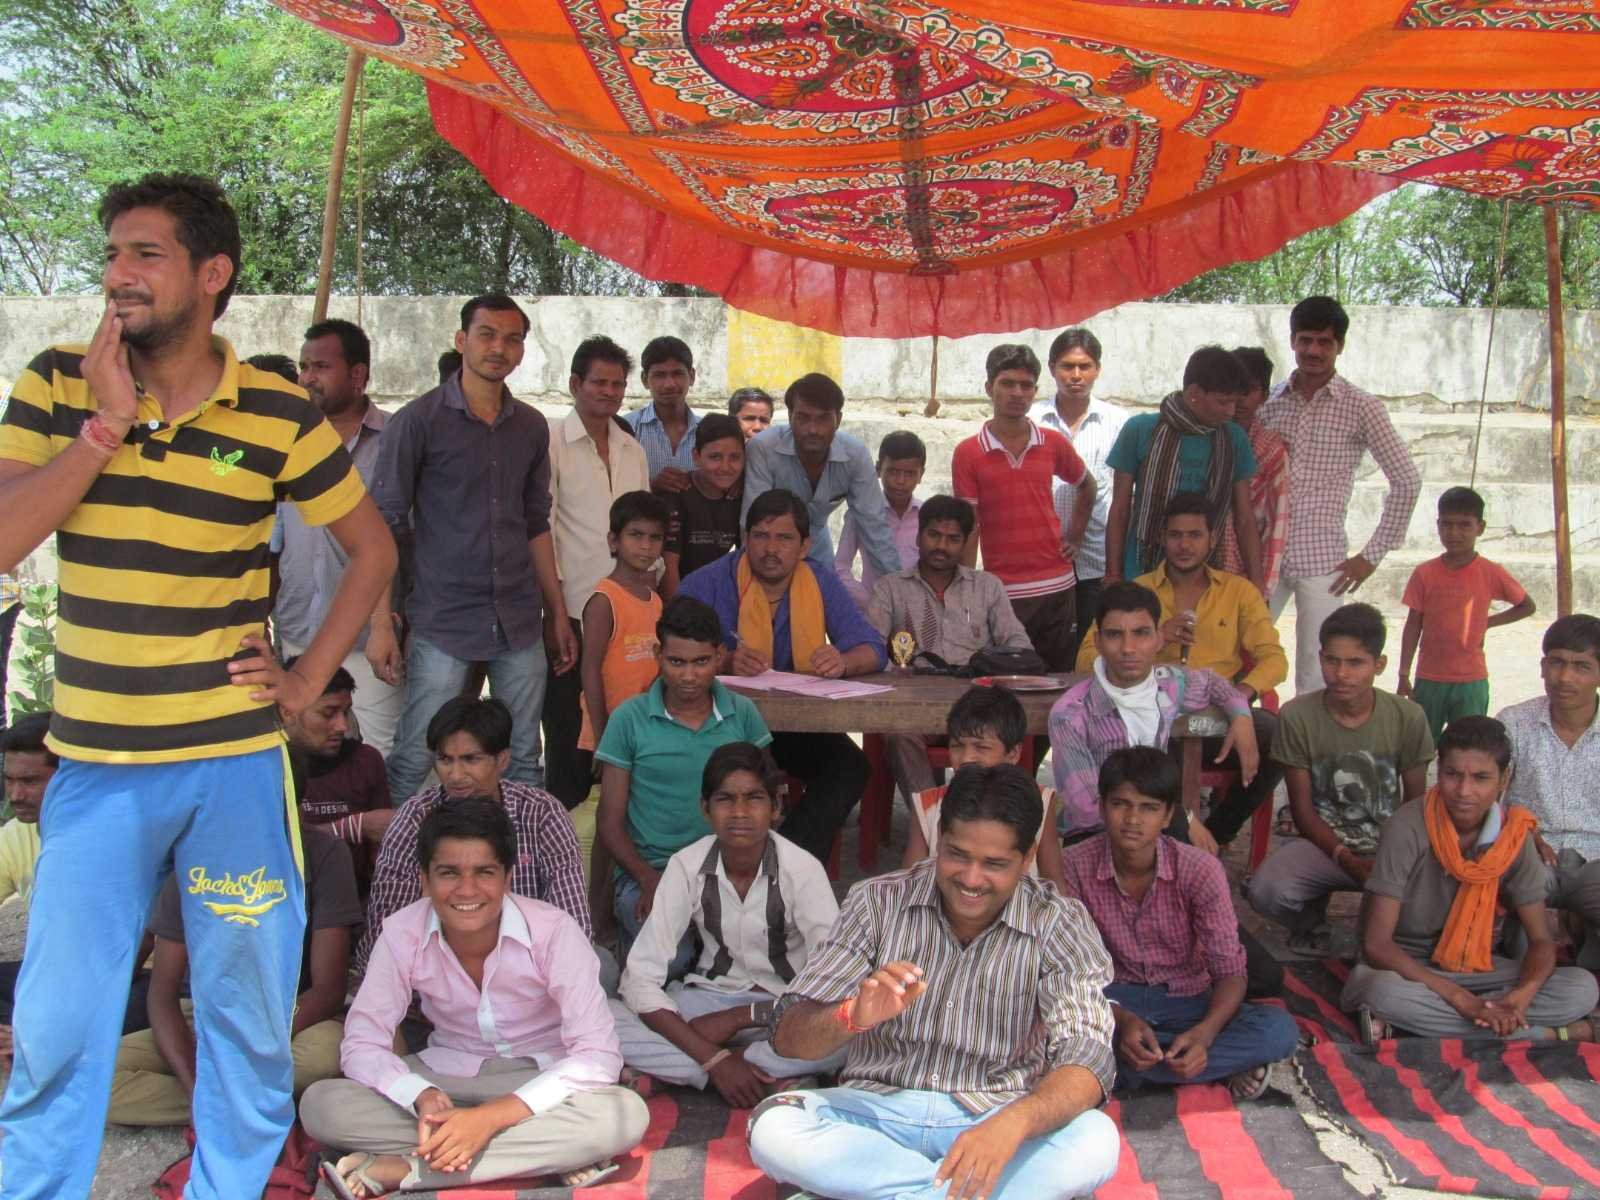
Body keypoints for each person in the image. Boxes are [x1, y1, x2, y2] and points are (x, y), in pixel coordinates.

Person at [0, 172, 395, 1200]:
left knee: (245, 1017)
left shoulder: (275, 409)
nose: (118, 276)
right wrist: (103, 427)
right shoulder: (56, 383)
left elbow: (372, 549)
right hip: (96, 768)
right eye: (112, 255)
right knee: (58, 1020)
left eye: (146, 255)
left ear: (211, 274)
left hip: (233, 765)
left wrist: (306, 680)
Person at [747, 764, 1120, 1200]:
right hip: (878, 1116)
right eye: (958, 854)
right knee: (773, 1124)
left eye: (994, 864)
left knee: (1096, 1141)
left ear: (1027, 857)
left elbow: (1088, 1055)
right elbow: (788, 1035)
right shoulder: (877, 902)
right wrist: (851, 1015)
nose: (971, 879)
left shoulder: (1058, 921)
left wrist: (1014, 1123)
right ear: (938, 837)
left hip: (997, 1117)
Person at [300, 800, 650, 1196]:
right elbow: (362, 1044)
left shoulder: (553, 931)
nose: (466, 890)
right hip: (445, 1080)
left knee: (623, 1116)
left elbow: (598, 1054)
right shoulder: (401, 933)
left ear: (507, 878)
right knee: (321, 1105)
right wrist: (420, 1095)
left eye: (484, 872)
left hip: (538, 1077)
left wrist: (490, 1118)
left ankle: (409, 1169)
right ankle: (540, 1153)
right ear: (424, 880)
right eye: (449, 873)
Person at [372, 293, 574, 803]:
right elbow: (383, 528)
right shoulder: (417, 421)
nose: (498, 348)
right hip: (444, 616)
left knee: (522, 755)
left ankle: (520, 851)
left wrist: (555, 612)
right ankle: (395, 852)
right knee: (418, 752)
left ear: (522, 351)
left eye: (512, 339)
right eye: (487, 334)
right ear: (462, 341)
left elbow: (535, 523)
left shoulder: (531, 427)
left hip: (518, 617)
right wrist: (380, 623)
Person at [609, 742, 846, 1104]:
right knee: (607, 1017)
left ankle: (695, 1068)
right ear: (705, 808)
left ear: (776, 807)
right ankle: (756, 1073)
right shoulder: (687, 866)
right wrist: (714, 1057)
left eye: (754, 798)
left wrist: (740, 1017)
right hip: (707, 1002)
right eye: (725, 799)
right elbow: (639, 978)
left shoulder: (802, 869)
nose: (739, 812)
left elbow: (836, 977)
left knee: (855, 1033)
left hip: (786, 1007)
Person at [1342, 717, 1598, 1043]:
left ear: (1503, 779)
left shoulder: (1513, 836)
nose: (1464, 791)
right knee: (1381, 991)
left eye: (1480, 778)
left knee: (1580, 987)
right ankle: (1536, 1033)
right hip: (1407, 970)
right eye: (1452, 774)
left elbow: (1541, 942)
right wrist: (1462, 1000)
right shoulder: (1405, 827)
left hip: (1479, 969)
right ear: (1439, 769)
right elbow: (1377, 945)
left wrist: (1521, 996)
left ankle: (1414, 1028)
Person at [1065, 748, 1299, 1099]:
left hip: (1187, 1001)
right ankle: (1205, 1069)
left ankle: (1119, 1072)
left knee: (1278, 1030)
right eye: (1120, 804)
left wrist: (1204, 1035)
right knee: (1044, 1026)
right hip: (1110, 1002)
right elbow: (1067, 971)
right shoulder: (1073, 866)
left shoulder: (1200, 870)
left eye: (1148, 808)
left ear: (1167, 816)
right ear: (1101, 807)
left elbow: (1230, 972)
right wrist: (1120, 1019)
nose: (1133, 819)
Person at [107, 820, 361, 1124]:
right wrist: (195, 1087)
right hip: (210, 1015)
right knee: (101, 1079)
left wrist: (251, 1044)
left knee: (320, 1060)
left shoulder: (322, 852)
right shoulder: (196, 858)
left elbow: (328, 990)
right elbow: (162, 994)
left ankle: (231, 1097)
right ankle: (231, 1103)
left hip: (295, 1018)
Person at [680, 489, 882, 863]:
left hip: (793, 724)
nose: (771, 549)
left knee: (850, 767)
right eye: (761, 535)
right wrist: (723, 661)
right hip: (722, 722)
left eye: (784, 538)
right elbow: (674, 651)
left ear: (804, 546)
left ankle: (783, 863)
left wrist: (842, 661)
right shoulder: (705, 583)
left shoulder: (819, 580)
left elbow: (872, 647)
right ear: (745, 538)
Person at [1076, 493, 1287, 848]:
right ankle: (1175, 841)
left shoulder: (1239, 592)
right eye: (1175, 535)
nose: (1184, 545)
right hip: (1152, 717)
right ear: (1163, 538)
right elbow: (1085, 659)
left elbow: (1275, 659)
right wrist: (1155, 638)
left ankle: (1216, 836)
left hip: (1219, 717)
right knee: (1150, 760)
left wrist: (1239, 700)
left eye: (1194, 535)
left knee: (1280, 736)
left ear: (1212, 539)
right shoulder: (1137, 591)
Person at [1247, 604, 1434, 955]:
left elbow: (1416, 806)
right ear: (1320, 658)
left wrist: (1391, 862)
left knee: (1423, 912)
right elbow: (1303, 812)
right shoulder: (1297, 715)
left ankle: (1379, 922)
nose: (1341, 674)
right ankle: (1312, 922)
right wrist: (1345, 858)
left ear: (1379, 665)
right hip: (1325, 845)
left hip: (1391, 848)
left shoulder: (1408, 717)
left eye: (1355, 663)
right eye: (1332, 661)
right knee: (1267, 890)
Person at [596, 596, 772, 967]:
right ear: (658, 655)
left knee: (757, 957)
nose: (688, 676)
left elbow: (765, 802)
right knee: (671, 961)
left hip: (729, 873)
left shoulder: (742, 714)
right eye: (676, 662)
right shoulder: (629, 719)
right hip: (649, 872)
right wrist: (647, 878)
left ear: (720, 655)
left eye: (701, 662)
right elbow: (609, 822)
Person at [1259, 296, 1422, 696]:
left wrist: (1372, 555)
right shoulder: (1268, 403)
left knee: (1320, 670)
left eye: (1325, 342)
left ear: (1340, 346)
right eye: (1306, 340)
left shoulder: (1361, 407)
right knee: (1245, 653)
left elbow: (1406, 479)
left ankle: (1309, 738)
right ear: (1292, 341)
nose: (1314, 350)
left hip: (1323, 561)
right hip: (1264, 554)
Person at [356, 697, 590, 975]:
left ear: (502, 759)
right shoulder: (414, 819)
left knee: (600, 966)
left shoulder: (541, 813)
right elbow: (386, 931)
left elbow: (573, 922)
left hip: (533, 972)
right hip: (433, 977)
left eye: (470, 759)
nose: (455, 775)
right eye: (445, 760)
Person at [1051, 582, 1256, 852]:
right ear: (1098, 642)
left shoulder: (1167, 684)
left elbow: (1211, 682)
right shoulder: (1071, 714)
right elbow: (1087, 809)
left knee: (1201, 865)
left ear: (1159, 639)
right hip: (1095, 837)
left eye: (1141, 633)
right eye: (1114, 635)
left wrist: (1242, 716)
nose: (1128, 648)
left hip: (1157, 823)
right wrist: (1181, 816)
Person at [275, 318, 400, 755]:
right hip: (298, 629)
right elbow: (274, 539)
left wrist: (383, 625)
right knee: (304, 754)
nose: (307, 378)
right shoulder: (289, 439)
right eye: (304, 366)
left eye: (321, 367)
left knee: (381, 752)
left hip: (368, 639)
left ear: (358, 374)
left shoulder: (394, 440)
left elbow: (397, 538)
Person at [543, 336, 651, 808]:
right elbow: (543, 530)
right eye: (599, 382)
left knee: (625, 728)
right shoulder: (551, 443)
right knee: (569, 733)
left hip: (628, 615)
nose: (609, 392)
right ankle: (564, 835)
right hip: (572, 613)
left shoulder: (632, 449)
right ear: (575, 384)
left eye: (617, 384)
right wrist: (554, 615)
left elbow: (645, 533)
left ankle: (615, 835)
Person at [867, 495, 1032, 801]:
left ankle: (979, 811)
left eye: (953, 539)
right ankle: (933, 818)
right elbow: (871, 647)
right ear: (918, 536)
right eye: (934, 535)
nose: (941, 546)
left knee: (998, 737)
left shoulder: (987, 586)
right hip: (915, 707)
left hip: (979, 708)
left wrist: (992, 668)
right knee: (899, 734)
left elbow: (1019, 645)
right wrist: (898, 675)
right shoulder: (890, 587)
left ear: (966, 542)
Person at [953, 343, 1094, 673]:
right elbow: (970, 527)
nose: (1017, 393)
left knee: (1059, 683)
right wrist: (966, 590)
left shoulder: (1053, 443)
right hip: (1004, 592)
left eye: (1026, 385)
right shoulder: (969, 453)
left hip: (1058, 588)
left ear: (1034, 391)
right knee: (1009, 684)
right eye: (1007, 383)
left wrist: (1075, 537)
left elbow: (1087, 486)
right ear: (989, 387)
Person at [1104, 345, 1262, 591]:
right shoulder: (1140, 430)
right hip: (1143, 569)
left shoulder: (1234, 439)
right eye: (1223, 402)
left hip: (1205, 572)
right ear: (1194, 393)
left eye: (1234, 402)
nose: (1231, 411)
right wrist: (1113, 574)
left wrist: (1256, 581)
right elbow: (1120, 509)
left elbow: (1244, 517)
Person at [1497, 614, 1600, 971]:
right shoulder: (1513, 723)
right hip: (1528, 855)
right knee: (1523, 949)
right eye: (1556, 662)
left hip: (1596, 860)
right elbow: (1485, 802)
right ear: (1542, 667)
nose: (1565, 677)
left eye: (1581, 666)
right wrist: (1521, 832)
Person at [1397, 486, 1534, 742]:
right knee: (1421, 745)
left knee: (1469, 745)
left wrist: (1487, 623)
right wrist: (1403, 673)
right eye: (1447, 525)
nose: (1454, 533)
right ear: (1438, 525)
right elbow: (1413, 624)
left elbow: (1527, 606)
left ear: (1480, 527)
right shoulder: (1424, 573)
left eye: (1464, 525)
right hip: (1429, 677)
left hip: (1472, 679)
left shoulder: (1491, 572)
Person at [901, 686, 1067, 894]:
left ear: (1013, 753)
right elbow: (909, 884)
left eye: (981, 747)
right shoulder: (926, 805)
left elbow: (1054, 882)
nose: (966, 758)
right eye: (957, 746)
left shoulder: (1040, 801)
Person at [743, 373, 900, 578]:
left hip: (819, 551)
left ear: (838, 420)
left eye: (823, 419)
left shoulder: (856, 456)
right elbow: (753, 524)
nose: (813, 430)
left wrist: (897, 588)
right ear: (790, 417)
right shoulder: (763, 449)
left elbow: (875, 528)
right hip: (770, 551)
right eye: (803, 418)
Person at [1032, 327, 1127, 663]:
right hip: (1041, 561)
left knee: (1090, 653)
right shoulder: (1031, 421)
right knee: (1044, 655)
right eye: (1067, 366)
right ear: (1051, 368)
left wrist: (1116, 566)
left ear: (1097, 369)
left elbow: (1123, 496)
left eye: (1084, 366)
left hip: (1095, 561)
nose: (1076, 375)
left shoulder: (1117, 423)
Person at [281, 658, 393, 891]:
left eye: (346, 711)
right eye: (328, 713)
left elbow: (382, 859)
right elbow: (272, 847)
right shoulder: (266, 770)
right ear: (288, 712)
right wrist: (352, 828)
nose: (342, 726)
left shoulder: (366, 761)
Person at [579, 492, 668, 755]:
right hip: (608, 732)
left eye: (655, 537)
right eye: (636, 535)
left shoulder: (655, 601)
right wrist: (603, 738)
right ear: (613, 541)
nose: (646, 546)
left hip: (644, 729)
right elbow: (590, 670)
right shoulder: (604, 601)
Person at [0, 715, 55, 1056]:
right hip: (49, 978)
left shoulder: (113, 834)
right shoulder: (16, 835)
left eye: (30, 781)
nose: (16, 795)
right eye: (9, 780)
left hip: (127, 980)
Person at [1217, 346, 1289, 597]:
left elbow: (1276, 520)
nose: (1240, 399)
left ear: (1264, 396)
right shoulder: (1205, 436)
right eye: (1233, 390)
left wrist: (1262, 584)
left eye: (1249, 390)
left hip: (1245, 565)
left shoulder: (1270, 448)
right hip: (1196, 559)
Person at [836, 430, 925, 610]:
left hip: (920, 612)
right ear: (878, 469)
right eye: (893, 471)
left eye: (909, 473)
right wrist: (867, 600)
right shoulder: (862, 514)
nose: (901, 481)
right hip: (873, 612)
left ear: (921, 474)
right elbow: (840, 567)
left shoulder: (926, 516)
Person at [662, 412, 745, 597]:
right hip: (683, 596)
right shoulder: (677, 493)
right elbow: (669, 564)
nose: (725, 467)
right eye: (715, 457)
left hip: (723, 596)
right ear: (696, 456)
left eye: (735, 457)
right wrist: (678, 609)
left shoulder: (744, 495)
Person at [626, 334, 700, 493]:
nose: (669, 384)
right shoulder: (628, 428)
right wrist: (650, 485)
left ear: (692, 376)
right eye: (659, 375)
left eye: (677, 374)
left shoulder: (707, 431)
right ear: (645, 380)